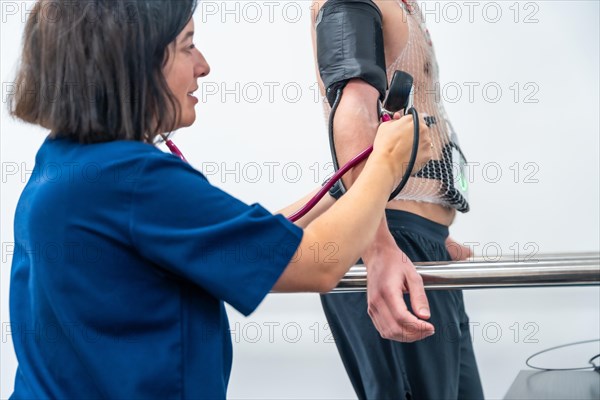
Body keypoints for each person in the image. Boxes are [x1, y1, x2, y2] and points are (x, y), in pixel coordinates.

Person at [7, 1, 432, 398]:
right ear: (134, 62)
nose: (204, 66)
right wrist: (385, 163)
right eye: (187, 47)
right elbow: (317, 264)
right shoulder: (130, 179)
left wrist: (344, 190)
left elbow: (244, 240)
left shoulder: (65, 164)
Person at [311, 0, 484, 399]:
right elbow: (354, 103)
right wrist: (379, 248)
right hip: (391, 239)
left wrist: (435, 235)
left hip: (417, 240)